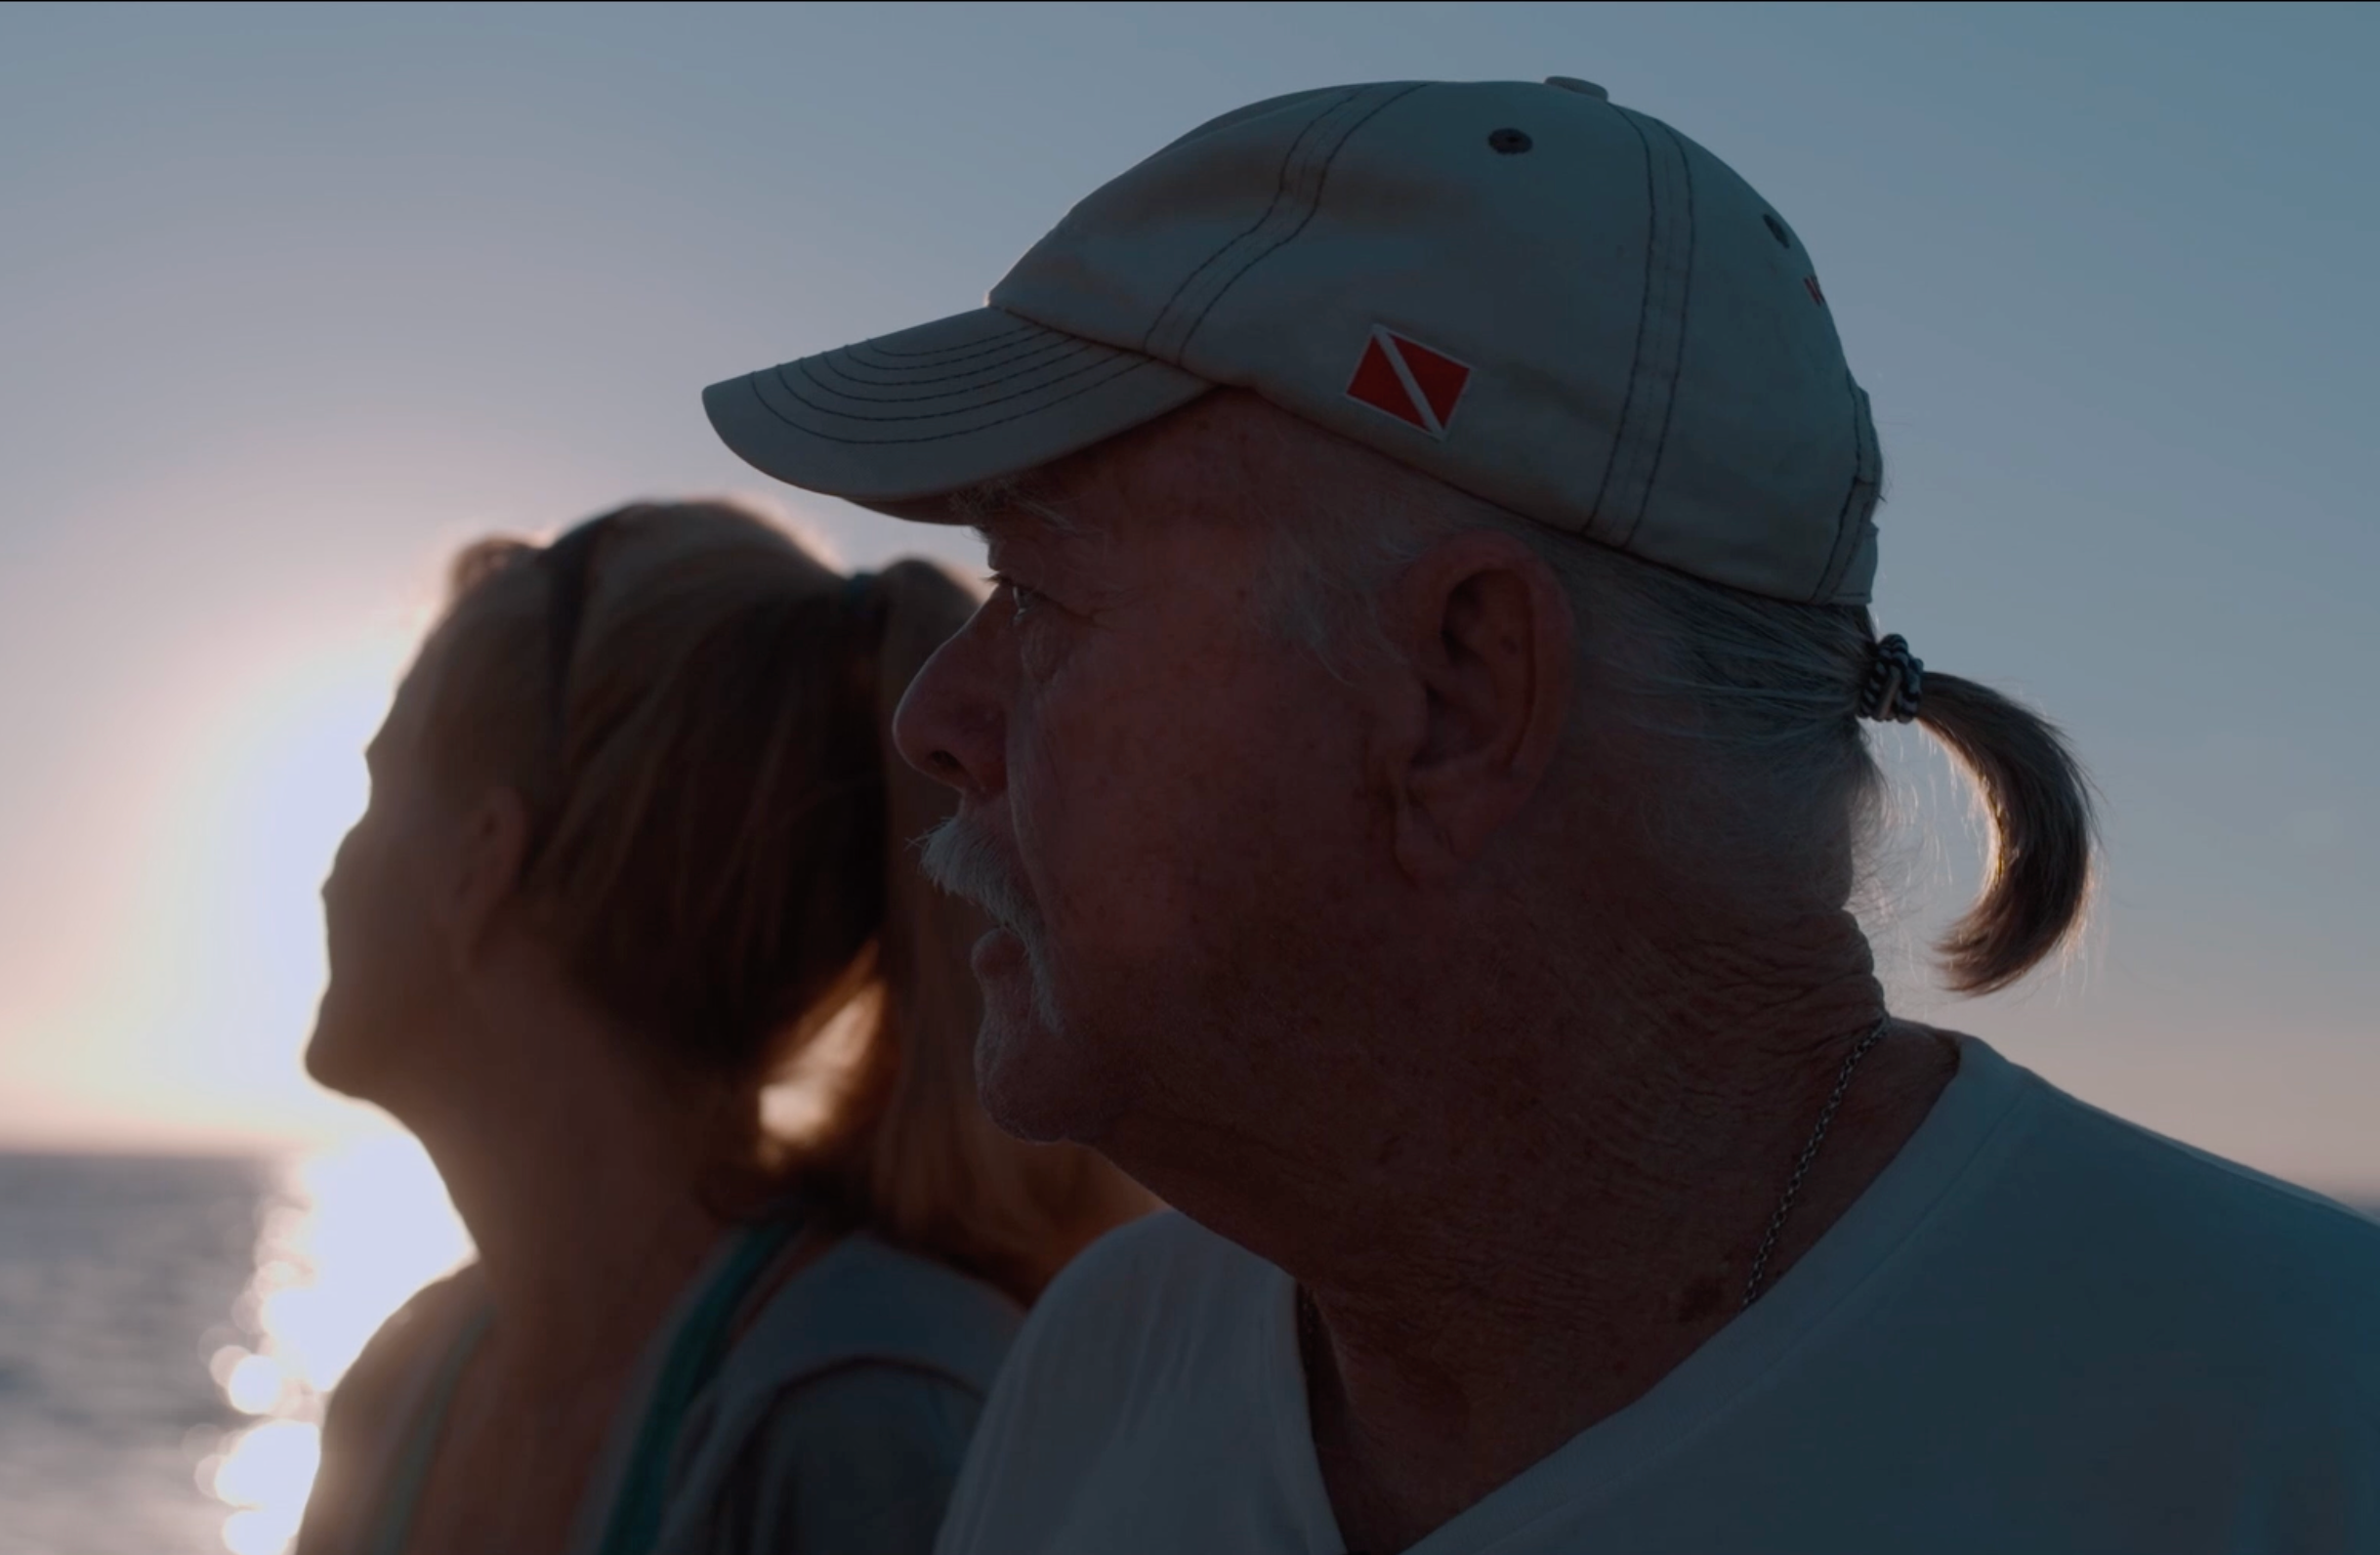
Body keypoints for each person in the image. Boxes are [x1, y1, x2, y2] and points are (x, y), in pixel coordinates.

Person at [704, 77, 2380, 1554]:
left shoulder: (2305, 1438)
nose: (937, 719)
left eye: (1038, 592)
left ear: (1457, 689)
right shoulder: (1101, 1366)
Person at [291, 501, 1149, 1555]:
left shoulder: (871, 1422)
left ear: (482, 856)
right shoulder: (406, 1376)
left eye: (378, 791)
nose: (331, 868)